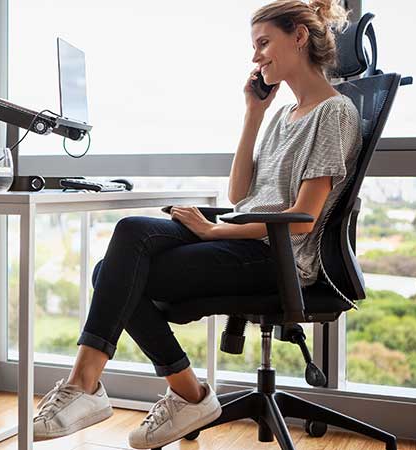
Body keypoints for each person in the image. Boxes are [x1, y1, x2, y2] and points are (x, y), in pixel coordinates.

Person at [32, 0, 362, 448]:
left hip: (276, 256)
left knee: (112, 275)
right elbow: (240, 194)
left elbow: (302, 221)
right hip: (246, 235)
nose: (256, 56)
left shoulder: (334, 113)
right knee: (130, 232)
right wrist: (253, 112)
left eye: (264, 43)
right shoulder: (285, 116)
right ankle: (111, 387)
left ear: (298, 37)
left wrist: (214, 231)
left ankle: (135, 389)